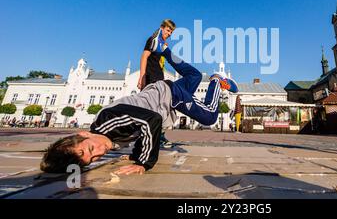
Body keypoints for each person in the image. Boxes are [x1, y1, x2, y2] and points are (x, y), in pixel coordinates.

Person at [40, 45, 238, 174]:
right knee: (194, 76)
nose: (99, 152)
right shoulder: (106, 133)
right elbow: (137, 129)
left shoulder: (109, 120)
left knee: (210, 117)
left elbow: (150, 121)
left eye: (91, 149)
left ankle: (215, 81)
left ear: (83, 134)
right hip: (163, 91)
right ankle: (166, 51)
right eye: (92, 159)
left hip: (167, 96)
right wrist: (135, 153)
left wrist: (143, 162)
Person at [138, 19, 176, 149]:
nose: (169, 33)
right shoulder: (153, 39)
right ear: (162, 27)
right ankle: (148, 137)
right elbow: (144, 57)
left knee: (161, 106)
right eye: (168, 30)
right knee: (149, 107)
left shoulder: (162, 43)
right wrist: (142, 77)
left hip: (159, 77)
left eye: (171, 31)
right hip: (150, 76)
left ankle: (158, 135)